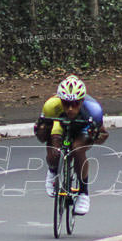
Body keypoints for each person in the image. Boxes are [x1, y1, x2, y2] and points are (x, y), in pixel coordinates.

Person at [34, 75, 108, 215]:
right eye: (66, 103)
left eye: (75, 104)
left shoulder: (93, 110)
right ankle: (52, 171)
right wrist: (42, 131)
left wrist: (96, 135)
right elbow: (42, 136)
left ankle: (83, 193)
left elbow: (103, 135)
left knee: (77, 149)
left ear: (82, 101)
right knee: (54, 150)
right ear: (60, 100)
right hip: (59, 125)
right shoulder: (51, 106)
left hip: (84, 128)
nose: (70, 109)